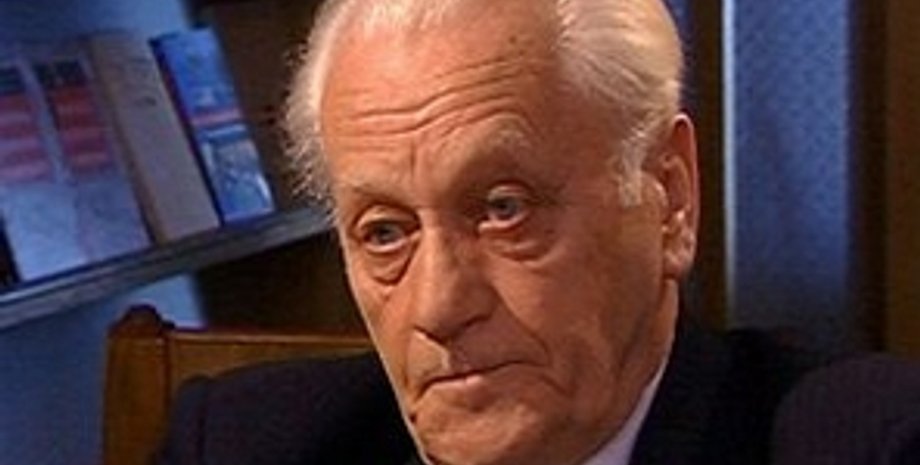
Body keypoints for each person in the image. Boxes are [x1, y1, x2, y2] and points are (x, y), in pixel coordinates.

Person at [156, 0, 920, 464]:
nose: (438, 307)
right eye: (385, 232)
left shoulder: (869, 441)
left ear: (670, 198)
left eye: (503, 208)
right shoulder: (240, 446)